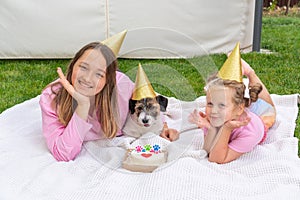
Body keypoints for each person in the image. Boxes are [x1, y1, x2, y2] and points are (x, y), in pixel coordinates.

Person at [39, 31, 136, 161]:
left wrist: (162, 125)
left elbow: (146, 99)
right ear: (73, 65)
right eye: (83, 67)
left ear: (108, 81)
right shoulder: (51, 98)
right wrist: (82, 106)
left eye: (99, 74)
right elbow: (63, 154)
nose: (87, 79)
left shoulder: (122, 86)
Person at [189, 42, 276, 164]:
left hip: (258, 120)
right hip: (236, 110)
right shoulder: (213, 117)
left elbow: (217, 158)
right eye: (210, 103)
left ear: (240, 109)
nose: (213, 110)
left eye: (221, 105)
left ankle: (251, 73)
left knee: (268, 111)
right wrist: (210, 127)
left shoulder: (250, 132)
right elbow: (208, 150)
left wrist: (226, 128)